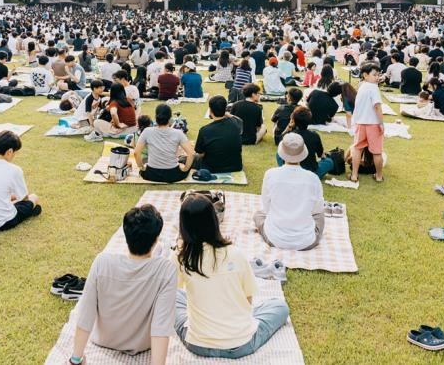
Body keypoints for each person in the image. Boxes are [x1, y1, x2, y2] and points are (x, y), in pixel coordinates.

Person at [174, 193, 290, 358]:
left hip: (197, 343)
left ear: (183, 225)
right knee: (279, 306)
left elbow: (170, 292)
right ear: (213, 221)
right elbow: (248, 302)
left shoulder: (181, 257)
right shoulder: (235, 254)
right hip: (241, 343)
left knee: (173, 296)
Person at [70, 204, 176, 365]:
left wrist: (75, 359)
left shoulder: (102, 262)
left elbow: (86, 313)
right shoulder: (165, 270)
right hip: (142, 345)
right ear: (156, 240)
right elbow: (161, 327)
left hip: (103, 340)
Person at [255, 132, 325, 250]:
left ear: (281, 153)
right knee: (320, 216)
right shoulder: (313, 178)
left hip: (275, 238)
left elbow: (266, 208)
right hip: (306, 241)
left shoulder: (270, 174)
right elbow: (317, 210)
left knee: (258, 215)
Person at [133, 103, 196, 183]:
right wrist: (185, 169)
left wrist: (142, 167)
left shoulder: (147, 131)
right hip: (173, 175)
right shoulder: (178, 133)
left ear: (156, 118)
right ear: (170, 119)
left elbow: (136, 152)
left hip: (151, 174)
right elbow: (191, 153)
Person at [348, 62, 385, 183]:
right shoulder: (373, 87)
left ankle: (354, 175)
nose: (377, 77)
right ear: (365, 75)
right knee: (377, 151)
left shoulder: (362, 86)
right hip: (373, 124)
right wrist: (381, 123)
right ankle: (379, 176)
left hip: (360, 122)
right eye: (374, 75)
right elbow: (377, 107)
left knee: (357, 149)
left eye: (378, 74)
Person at [278, 106, 333, 179]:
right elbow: (321, 155)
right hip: (310, 173)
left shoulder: (289, 135)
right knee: (329, 162)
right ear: (309, 121)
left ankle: (288, 172)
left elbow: (280, 143)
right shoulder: (314, 135)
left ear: (293, 120)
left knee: (278, 154)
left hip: (292, 169)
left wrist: (288, 127)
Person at [193, 95, 243, 173]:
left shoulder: (205, 130)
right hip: (235, 166)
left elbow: (200, 154)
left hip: (212, 168)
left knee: (189, 157)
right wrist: (226, 113)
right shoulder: (235, 124)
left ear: (210, 110)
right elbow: (239, 120)